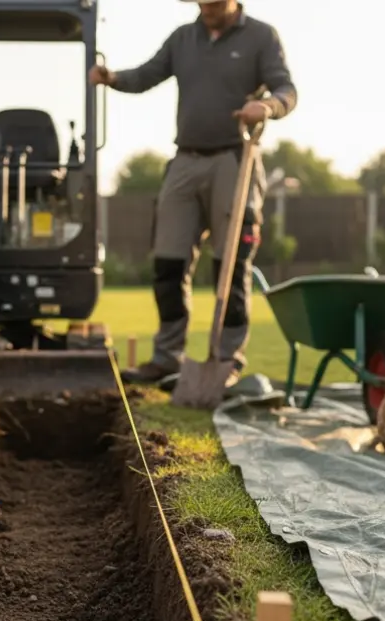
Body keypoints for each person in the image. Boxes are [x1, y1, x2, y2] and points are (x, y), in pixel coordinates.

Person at [90, 0, 297, 385]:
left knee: (231, 266)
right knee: (168, 264)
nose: (207, 9)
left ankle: (225, 362)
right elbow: (148, 74)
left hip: (234, 159)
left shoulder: (260, 36)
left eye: (214, 3)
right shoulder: (183, 38)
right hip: (185, 160)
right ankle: (168, 357)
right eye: (201, 2)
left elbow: (287, 89)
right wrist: (112, 77)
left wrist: (266, 106)